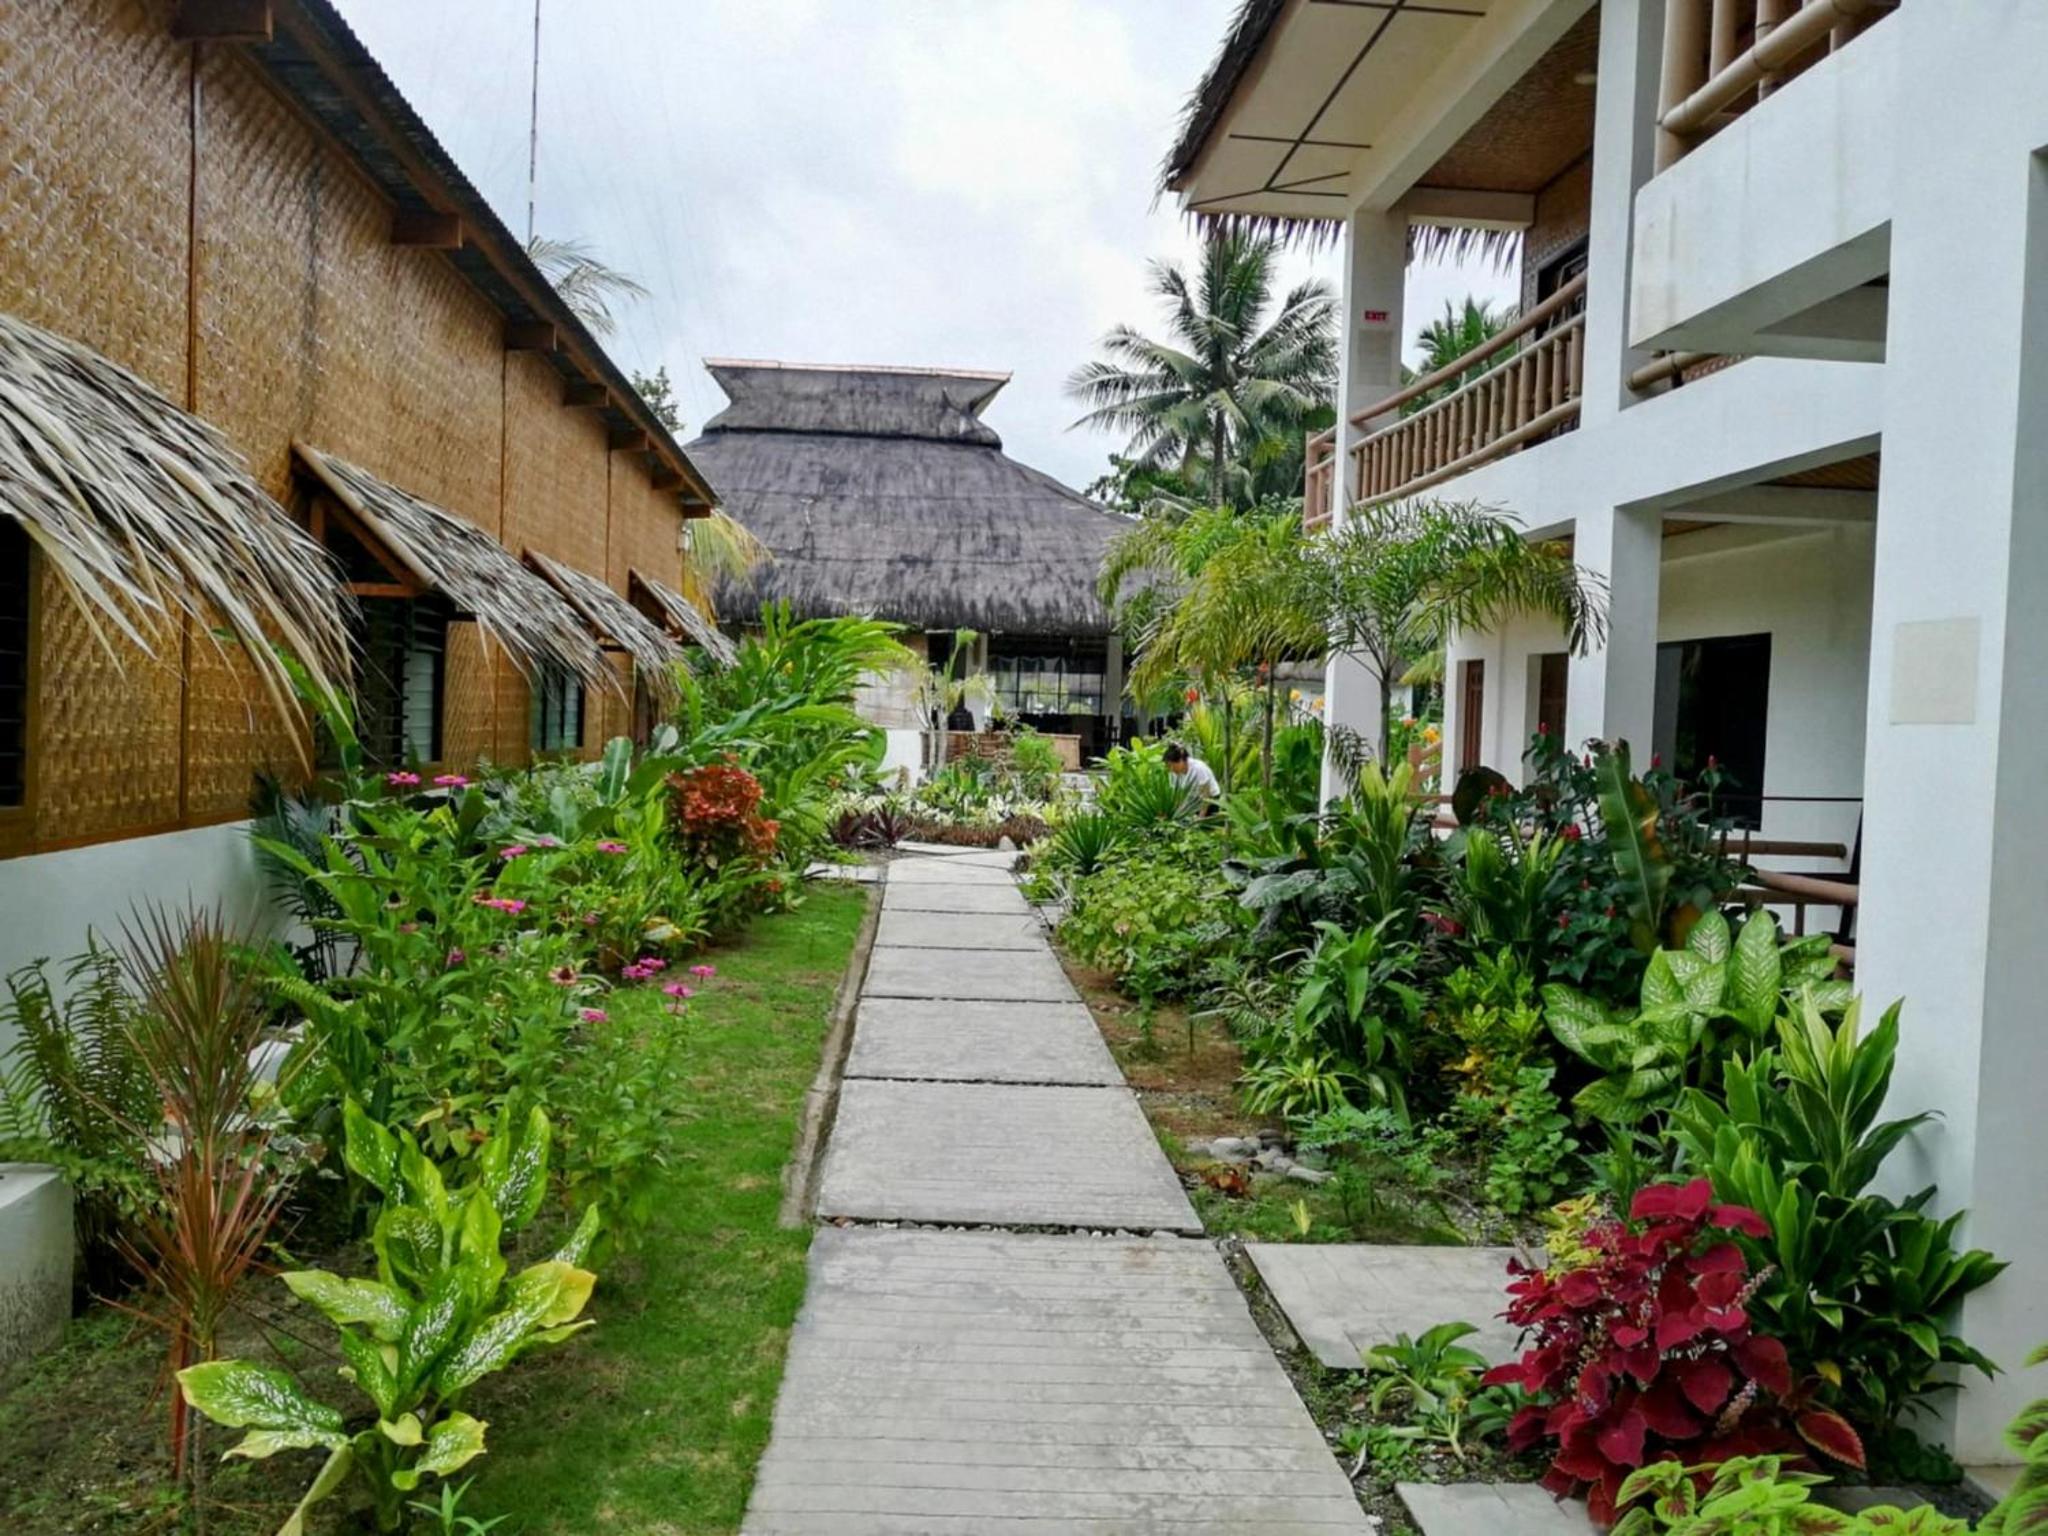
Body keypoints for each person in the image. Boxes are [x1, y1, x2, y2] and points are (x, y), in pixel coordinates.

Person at [1162, 741, 1220, 814]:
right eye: (1168, 766)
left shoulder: (1198, 768)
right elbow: (1177, 796)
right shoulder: (1173, 773)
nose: (1171, 769)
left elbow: (1206, 796)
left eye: (1171, 765)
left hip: (1211, 799)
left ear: (1181, 761)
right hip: (1194, 799)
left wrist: (1200, 817)